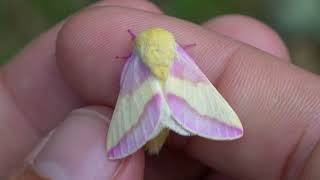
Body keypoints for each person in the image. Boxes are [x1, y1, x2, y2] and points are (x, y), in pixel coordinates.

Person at [2, 0, 320, 179]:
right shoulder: (180, 55)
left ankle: (145, 129)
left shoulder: (133, 60)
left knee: (126, 133)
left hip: (138, 88)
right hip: (178, 78)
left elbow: (125, 67)